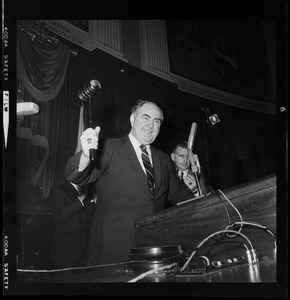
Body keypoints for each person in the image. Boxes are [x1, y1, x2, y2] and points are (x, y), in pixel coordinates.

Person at [65, 99, 194, 266]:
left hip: (154, 249)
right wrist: (84, 156)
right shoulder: (108, 147)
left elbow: (179, 195)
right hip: (113, 248)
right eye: (146, 118)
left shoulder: (163, 159)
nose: (151, 125)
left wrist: (206, 202)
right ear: (133, 119)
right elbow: (75, 175)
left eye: (157, 121)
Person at [49, 180, 96, 269]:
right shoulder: (59, 189)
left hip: (84, 255)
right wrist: (81, 198)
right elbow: (61, 215)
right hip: (66, 253)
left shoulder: (89, 191)